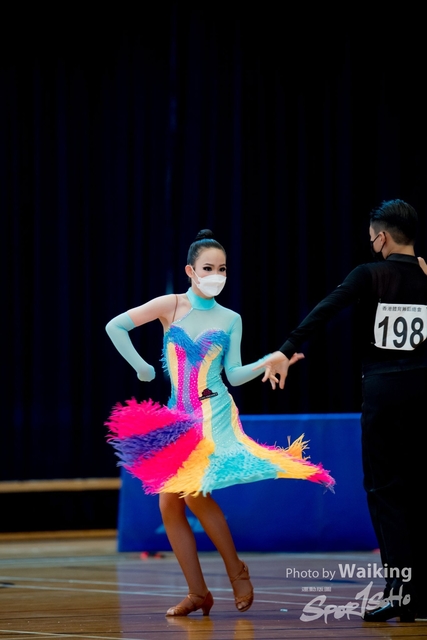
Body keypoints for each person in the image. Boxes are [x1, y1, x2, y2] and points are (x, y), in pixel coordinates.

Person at [104, 229, 335, 618]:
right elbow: (116, 326)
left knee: (194, 493)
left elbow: (235, 374)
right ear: (190, 271)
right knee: (169, 505)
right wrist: (141, 366)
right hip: (178, 416)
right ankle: (198, 593)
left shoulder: (231, 319)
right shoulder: (170, 305)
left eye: (222, 269)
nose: (216, 275)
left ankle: (236, 572)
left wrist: (268, 361)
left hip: (214, 412)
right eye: (208, 268)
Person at [254, 199, 427, 623]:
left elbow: (326, 309)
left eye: (371, 237)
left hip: (386, 392)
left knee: (385, 491)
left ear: (381, 238)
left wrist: (286, 349)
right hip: (424, 390)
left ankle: (401, 593)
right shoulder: (425, 272)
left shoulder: (370, 274)